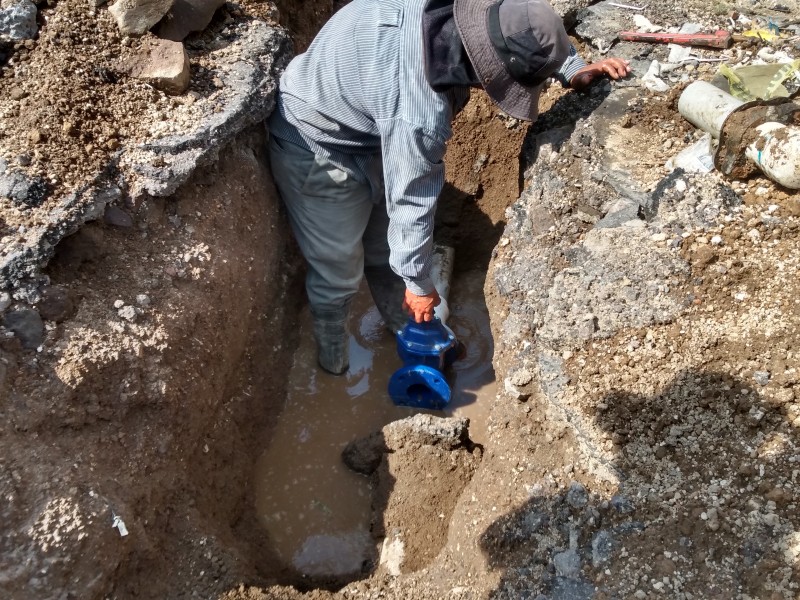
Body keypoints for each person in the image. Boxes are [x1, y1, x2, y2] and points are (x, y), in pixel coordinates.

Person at [268, 0, 630, 375]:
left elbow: (522, 23)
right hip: (317, 144)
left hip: (367, 122)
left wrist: (570, 66)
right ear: (485, 69)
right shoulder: (418, 109)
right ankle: (334, 367)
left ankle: (410, 334)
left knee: (384, 249)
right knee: (338, 270)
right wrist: (421, 286)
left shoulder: (473, 14)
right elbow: (411, 199)